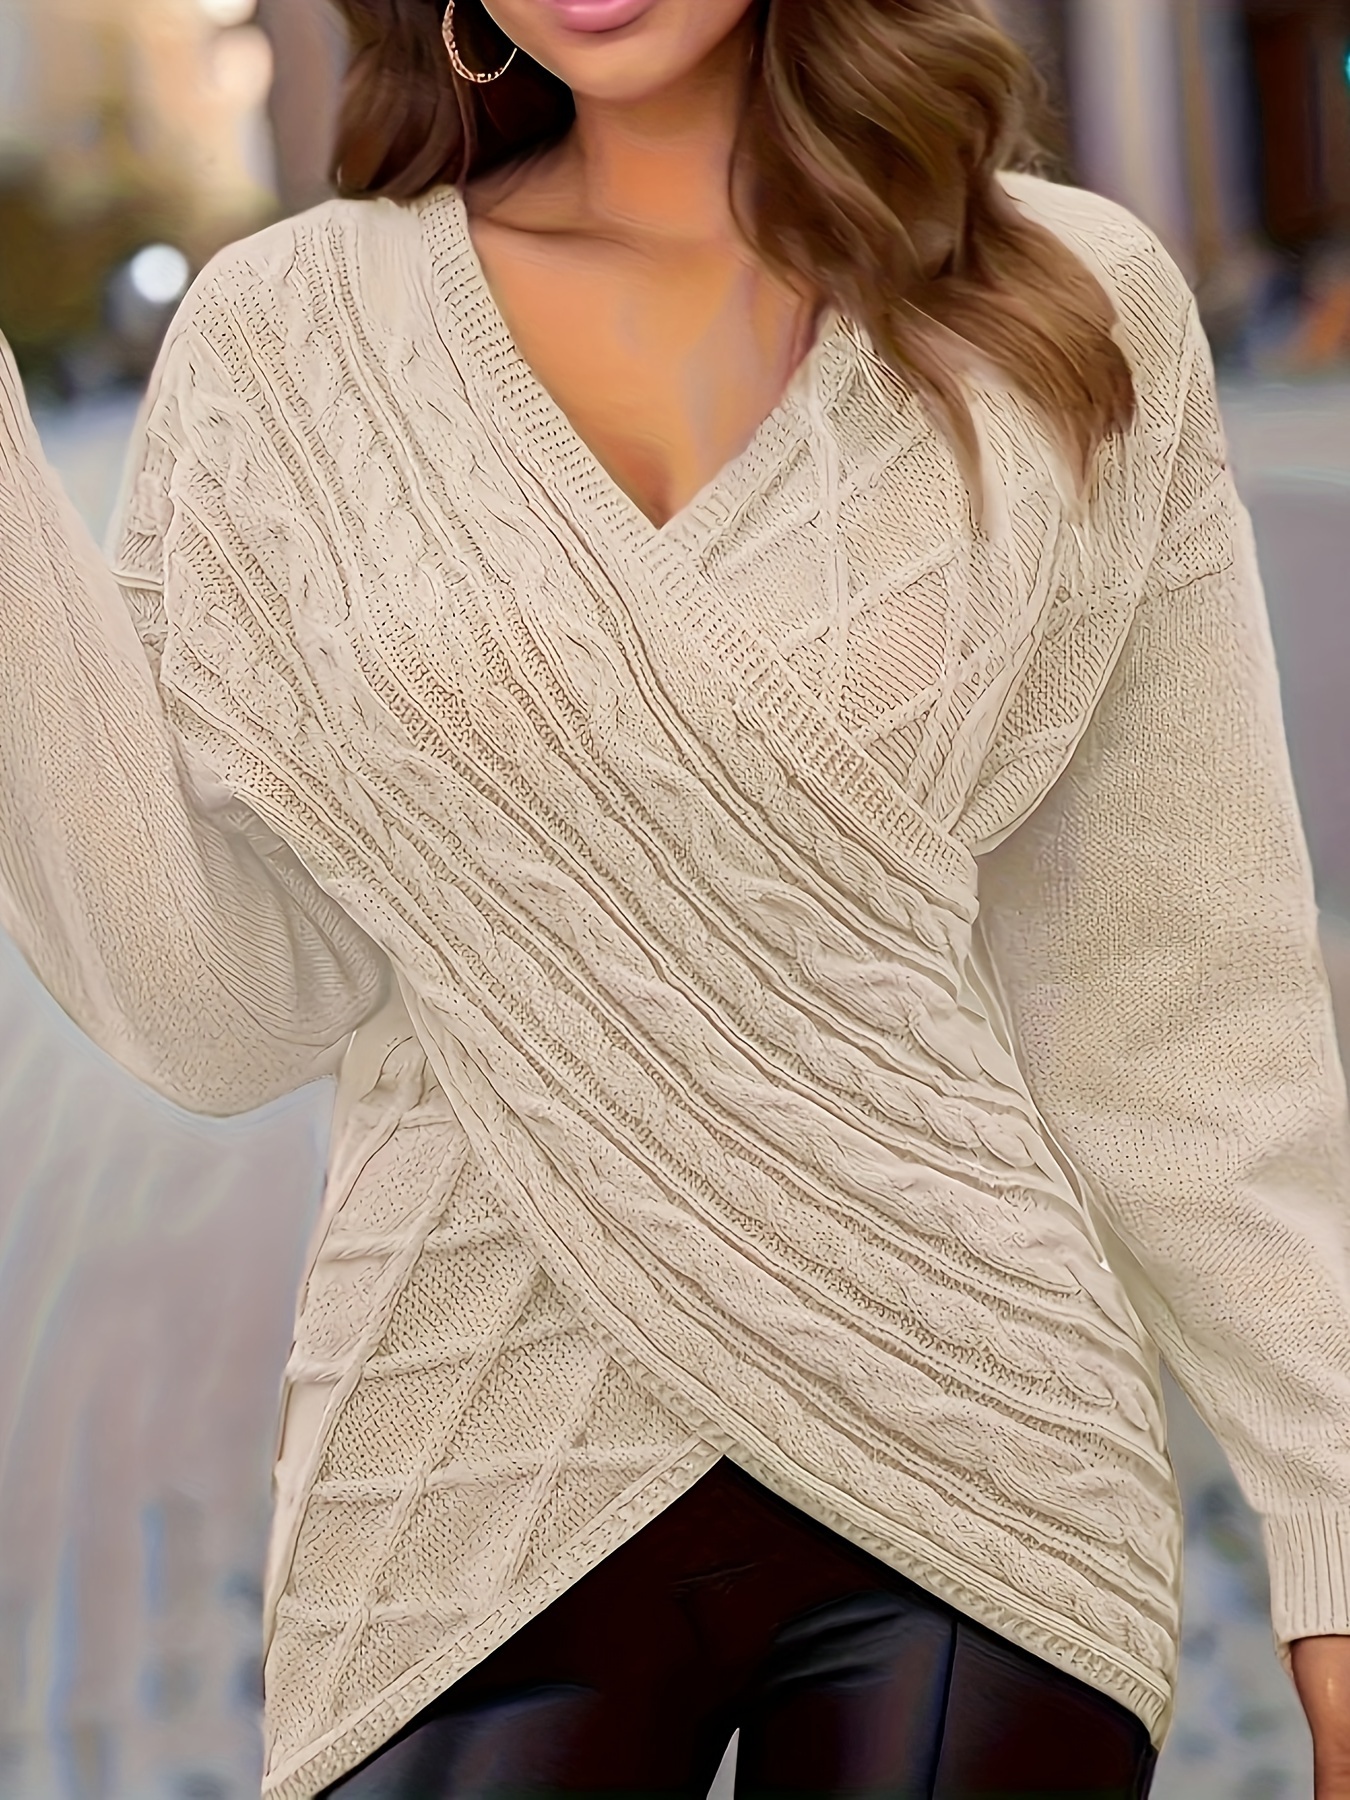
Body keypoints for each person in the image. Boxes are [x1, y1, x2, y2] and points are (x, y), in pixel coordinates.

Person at [2, 0, 1350, 1793]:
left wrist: (1331, 1549)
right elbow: (231, 1008)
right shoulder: (286, 339)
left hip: (974, 1429)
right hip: (462, 1458)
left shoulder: (1060, 299)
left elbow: (1180, 1003)